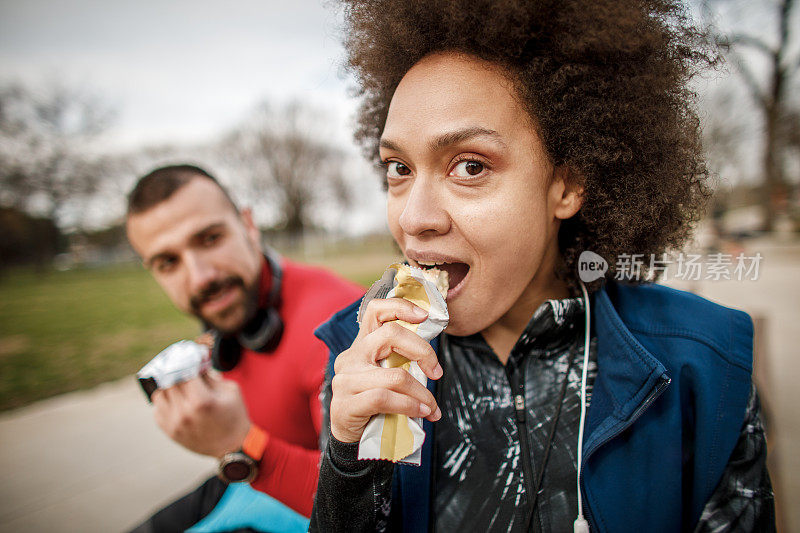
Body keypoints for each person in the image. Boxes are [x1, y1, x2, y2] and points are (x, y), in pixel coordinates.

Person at [310, 0, 775, 531]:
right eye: (399, 168)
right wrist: (348, 466)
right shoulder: (359, 354)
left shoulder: (704, 364)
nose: (414, 218)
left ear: (567, 184)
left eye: (469, 165)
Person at [125, 164, 362, 532]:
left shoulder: (336, 332)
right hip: (258, 479)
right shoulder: (235, 307)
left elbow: (369, 507)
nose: (200, 276)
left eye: (210, 239)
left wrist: (238, 443)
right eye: (169, 262)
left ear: (248, 225)